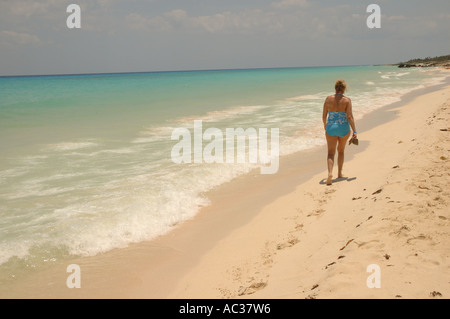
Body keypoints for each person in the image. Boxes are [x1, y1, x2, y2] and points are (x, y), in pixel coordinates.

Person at [322, 79, 357, 185]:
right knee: (341, 151)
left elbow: (324, 116)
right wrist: (354, 131)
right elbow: (349, 117)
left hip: (331, 128)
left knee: (330, 153)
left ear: (335, 88)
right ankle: (340, 173)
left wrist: (325, 126)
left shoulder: (328, 99)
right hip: (344, 129)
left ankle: (329, 173)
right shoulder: (347, 100)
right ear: (344, 89)